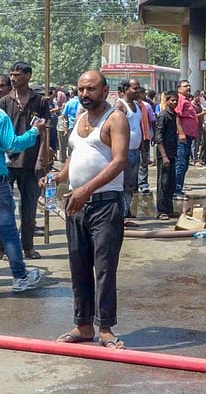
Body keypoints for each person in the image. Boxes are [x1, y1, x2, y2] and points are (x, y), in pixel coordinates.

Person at [51, 70, 129, 349]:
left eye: (91, 89)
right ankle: (83, 325)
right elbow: (76, 152)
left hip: (105, 205)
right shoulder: (80, 118)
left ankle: (106, 327)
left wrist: (86, 190)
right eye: (81, 89)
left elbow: (119, 161)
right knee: (78, 266)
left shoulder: (115, 118)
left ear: (105, 91)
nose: (85, 94)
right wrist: (60, 176)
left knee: (105, 269)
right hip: (76, 206)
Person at [0, 62, 50, 259]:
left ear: (28, 76)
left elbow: (44, 132)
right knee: (4, 209)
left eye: (17, 75)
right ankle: (3, 248)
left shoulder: (40, 102)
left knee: (28, 208)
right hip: (7, 163)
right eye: (11, 75)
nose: (13, 78)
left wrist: (41, 158)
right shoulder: (4, 102)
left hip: (30, 162)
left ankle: (27, 246)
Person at [0, 108, 45, 291]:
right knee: (8, 230)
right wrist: (34, 131)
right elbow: (12, 145)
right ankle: (20, 276)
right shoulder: (1, 116)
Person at [114, 79, 145, 223]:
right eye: (135, 88)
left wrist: (143, 152)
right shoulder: (120, 105)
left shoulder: (138, 106)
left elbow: (139, 128)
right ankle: (120, 214)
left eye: (138, 88)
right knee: (121, 183)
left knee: (131, 184)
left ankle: (126, 210)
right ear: (126, 89)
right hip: (123, 152)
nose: (138, 91)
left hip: (135, 151)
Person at [154, 91, 179, 220]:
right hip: (164, 153)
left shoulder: (173, 115)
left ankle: (169, 209)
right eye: (172, 100)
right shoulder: (163, 115)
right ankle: (161, 210)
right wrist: (164, 156)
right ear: (167, 101)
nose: (174, 103)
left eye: (176, 101)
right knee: (163, 182)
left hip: (172, 152)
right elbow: (158, 137)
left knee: (171, 182)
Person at [173, 79, 198, 199]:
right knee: (181, 163)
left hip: (189, 136)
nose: (188, 88)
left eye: (189, 86)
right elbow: (177, 115)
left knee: (185, 163)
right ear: (179, 89)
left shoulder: (187, 100)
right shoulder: (179, 100)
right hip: (182, 137)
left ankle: (179, 188)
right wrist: (181, 132)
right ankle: (176, 190)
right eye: (185, 86)